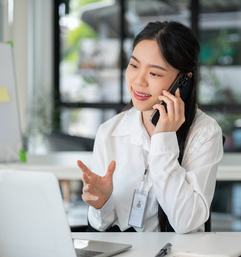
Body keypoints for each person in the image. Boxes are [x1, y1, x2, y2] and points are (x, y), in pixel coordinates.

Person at [77, 21, 223, 234]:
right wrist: (101, 203)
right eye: (134, 65)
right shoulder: (109, 132)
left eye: (154, 73)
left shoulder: (205, 133)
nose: (138, 81)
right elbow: (101, 226)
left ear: (183, 81)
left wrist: (164, 139)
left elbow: (186, 223)